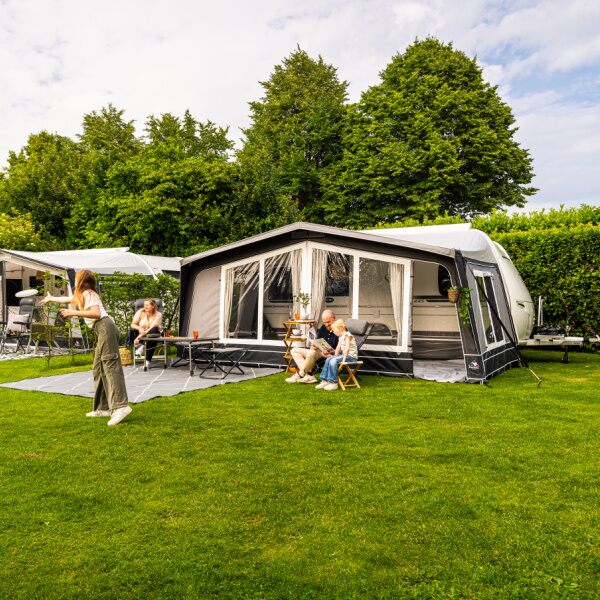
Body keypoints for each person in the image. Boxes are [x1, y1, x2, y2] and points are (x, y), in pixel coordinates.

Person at [41, 270, 132, 426]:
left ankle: (120, 406)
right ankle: (103, 408)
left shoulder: (90, 293)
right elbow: (67, 299)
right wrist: (51, 298)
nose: (75, 282)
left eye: (76, 279)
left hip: (105, 327)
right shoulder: (83, 295)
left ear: (82, 281)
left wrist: (72, 312)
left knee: (110, 365)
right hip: (101, 329)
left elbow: (96, 313)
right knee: (98, 368)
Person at [286, 309, 338, 384]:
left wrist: (324, 349)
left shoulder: (339, 329)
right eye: (325, 322)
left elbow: (337, 348)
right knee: (294, 350)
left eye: (328, 322)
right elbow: (317, 341)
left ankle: (300, 374)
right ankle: (309, 375)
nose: (326, 324)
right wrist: (313, 345)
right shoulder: (323, 328)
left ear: (334, 318)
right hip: (318, 352)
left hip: (330, 354)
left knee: (312, 352)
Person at [316, 319, 358, 391]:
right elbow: (338, 348)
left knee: (333, 361)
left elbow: (347, 349)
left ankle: (333, 383)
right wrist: (334, 356)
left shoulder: (347, 335)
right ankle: (324, 381)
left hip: (351, 357)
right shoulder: (341, 337)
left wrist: (343, 360)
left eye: (334, 330)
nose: (333, 332)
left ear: (340, 329)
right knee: (329, 359)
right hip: (344, 355)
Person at [127, 298, 163, 367]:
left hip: (153, 334)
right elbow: (132, 324)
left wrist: (139, 337)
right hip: (141, 333)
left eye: (147, 305)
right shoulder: (140, 312)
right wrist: (139, 328)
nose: (145, 307)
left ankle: (141, 347)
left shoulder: (158, 315)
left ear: (153, 306)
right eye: (144, 305)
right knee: (135, 331)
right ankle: (147, 361)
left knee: (153, 330)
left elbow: (151, 328)